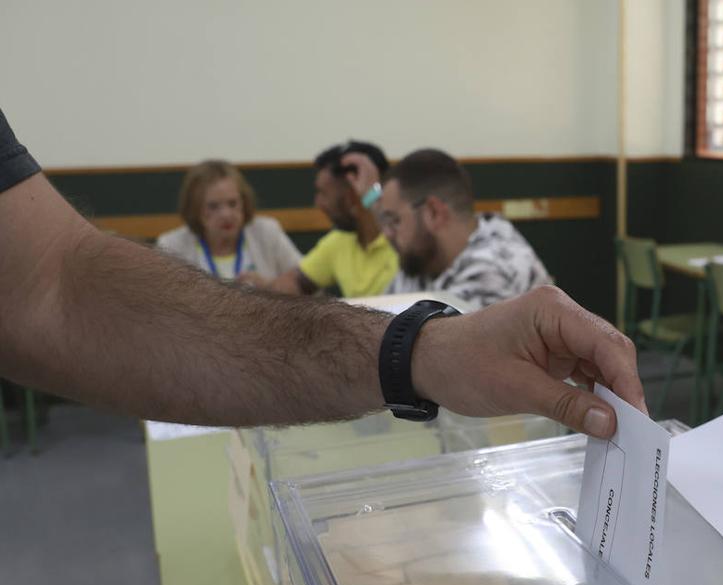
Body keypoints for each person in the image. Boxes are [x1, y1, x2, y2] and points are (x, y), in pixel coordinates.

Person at [0, 109, 643, 442]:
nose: (385, 229)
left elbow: (48, 287)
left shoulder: (478, 260)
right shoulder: (347, 246)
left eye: (394, 216)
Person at [343, 148, 551, 308]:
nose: (387, 233)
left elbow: (429, 353)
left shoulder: (491, 271)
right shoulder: (424, 257)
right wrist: (370, 195)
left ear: (433, 212)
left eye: (395, 220)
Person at [253, 141, 398, 298]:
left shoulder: (404, 239)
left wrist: (371, 197)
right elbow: (294, 282)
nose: (318, 203)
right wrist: (261, 287)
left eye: (323, 193)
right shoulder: (340, 241)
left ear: (351, 197)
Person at [156, 159, 301, 282]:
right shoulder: (172, 246)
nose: (226, 215)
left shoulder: (266, 232)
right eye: (213, 206)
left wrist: (269, 289)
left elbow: (305, 283)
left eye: (233, 204)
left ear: (244, 202)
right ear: (194, 209)